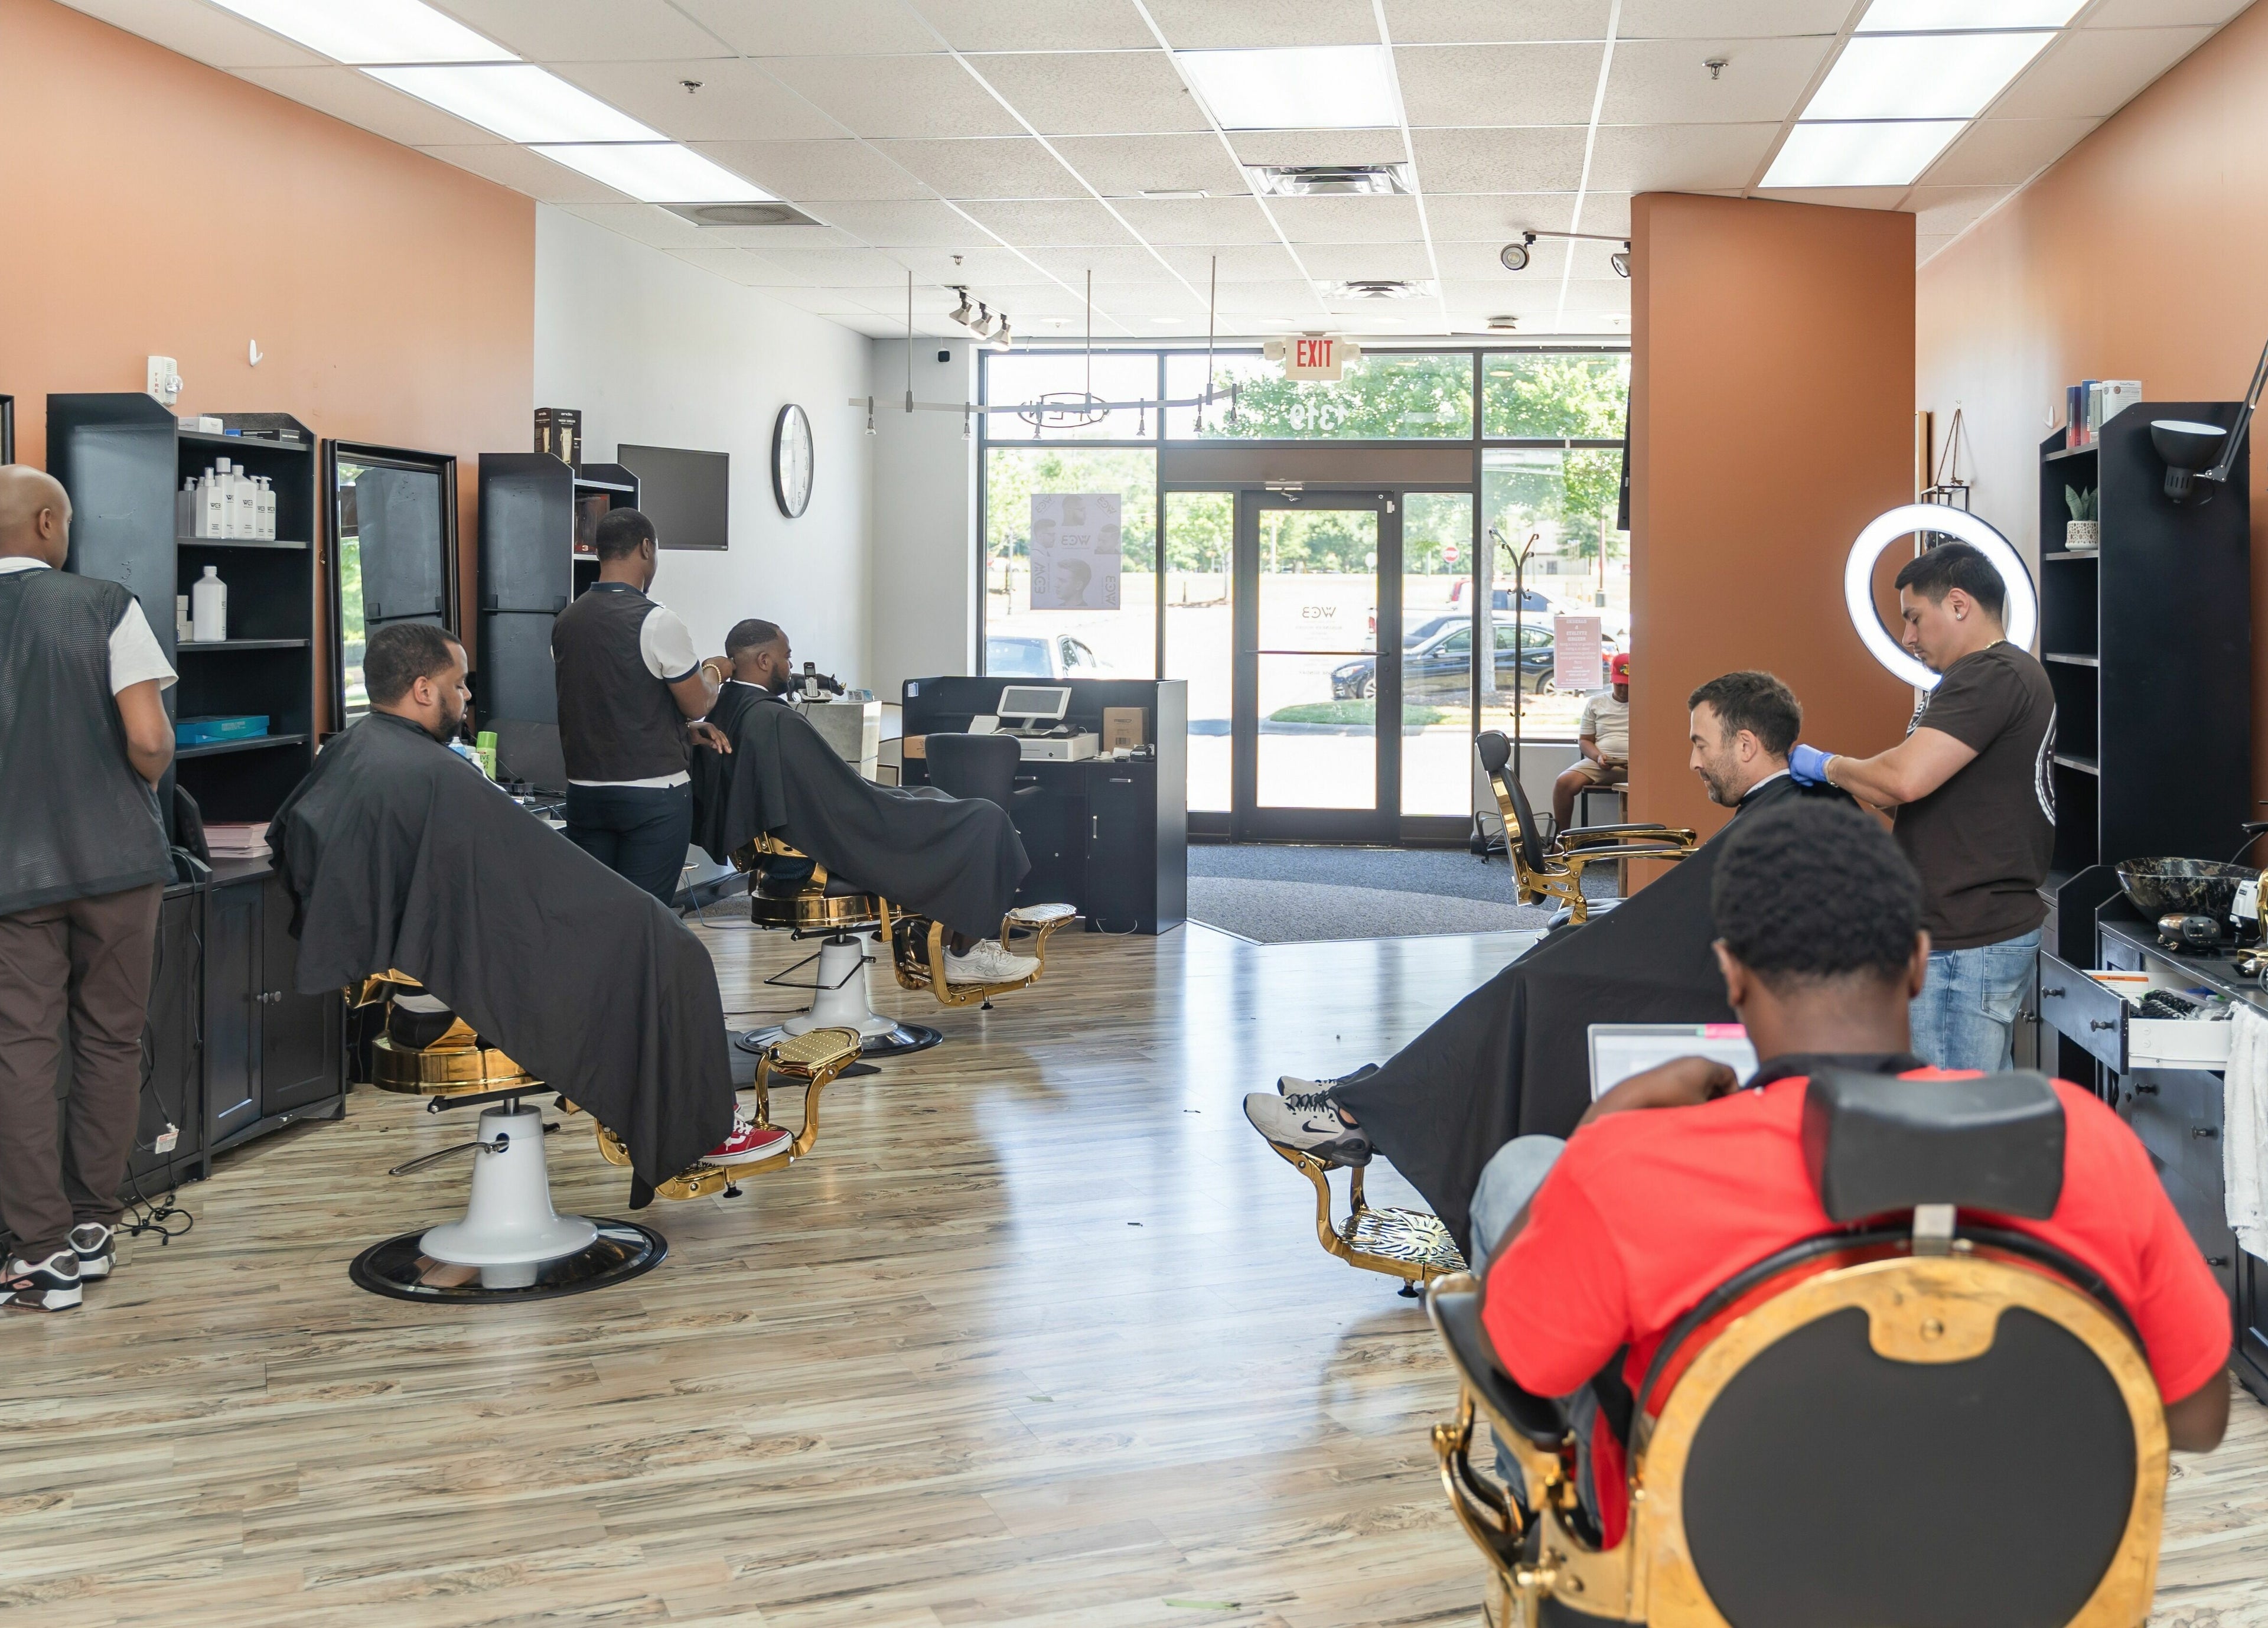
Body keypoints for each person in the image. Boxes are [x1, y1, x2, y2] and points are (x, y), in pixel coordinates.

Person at [1466, 801, 2228, 1548]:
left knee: (1522, 1172)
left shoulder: (1630, 1168)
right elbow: (2199, 1417)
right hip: (2011, 1580)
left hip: (1713, 1582)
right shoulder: (2082, 1140)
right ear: (1920, 964)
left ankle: (1554, 1559)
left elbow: (1522, 1365)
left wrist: (1598, 1130)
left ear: (1732, 973)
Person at [1244, 671, 1850, 1251]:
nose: (1692, 760)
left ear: (1746, 745)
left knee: (1533, 987)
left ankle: (1355, 1113)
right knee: (1548, 958)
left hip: (1707, 1004)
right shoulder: (1793, 804)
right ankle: (1366, 1093)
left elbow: (1703, 931)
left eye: (1700, 742)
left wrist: (1611, 943)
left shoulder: (1787, 816)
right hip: (1699, 977)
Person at [271, 622, 784, 1190]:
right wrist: (642, 920)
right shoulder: (438, 775)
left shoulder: (353, 750)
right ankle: (707, 1130)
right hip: (459, 982)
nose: (466, 697)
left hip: (409, 975)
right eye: (458, 684)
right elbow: (544, 891)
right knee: (677, 954)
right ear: (423, 691)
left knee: (644, 937)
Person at [0, 467, 179, 1312]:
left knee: (22, 1051)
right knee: (111, 1040)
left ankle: (39, 1255)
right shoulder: (104, 603)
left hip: (9, 876)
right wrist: (135, 775)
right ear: (46, 522)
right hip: (117, 863)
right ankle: (91, 1230)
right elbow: (149, 740)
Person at [1788, 542, 2057, 1072]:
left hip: (1965, 938)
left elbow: (1905, 781)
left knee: (1950, 1125)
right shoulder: (1983, 679)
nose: (1907, 638)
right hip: (1964, 930)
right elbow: (1923, 800)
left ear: (1959, 604)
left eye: (1914, 618)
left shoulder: (1991, 675)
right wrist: (1860, 789)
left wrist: (1828, 766)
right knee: (1964, 1112)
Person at [693, 619, 1040, 983]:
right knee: (985, 818)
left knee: (933, 797)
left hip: (779, 852)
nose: (791, 667)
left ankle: (948, 940)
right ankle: (964, 952)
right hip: (813, 855)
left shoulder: (722, 712)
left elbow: (830, 794)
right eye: (787, 658)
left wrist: (902, 797)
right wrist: (894, 801)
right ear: (764, 661)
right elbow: (846, 804)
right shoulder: (775, 718)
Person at [551, 508, 731, 906]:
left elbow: (607, 701)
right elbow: (698, 703)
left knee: (596, 915)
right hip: (652, 797)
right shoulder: (657, 622)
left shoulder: (566, 621)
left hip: (585, 795)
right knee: (645, 920)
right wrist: (715, 670)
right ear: (646, 548)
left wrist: (678, 732)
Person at [1552, 651, 1630, 833]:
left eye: (1629, 686)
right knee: (1564, 783)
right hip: (1602, 762)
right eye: (1620, 685)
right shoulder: (1596, 703)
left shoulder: (1646, 702)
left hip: (1639, 765)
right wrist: (1599, 757)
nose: (1625, 690)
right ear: (1611, 680)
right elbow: (1585, 741)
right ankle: (1562, 840)